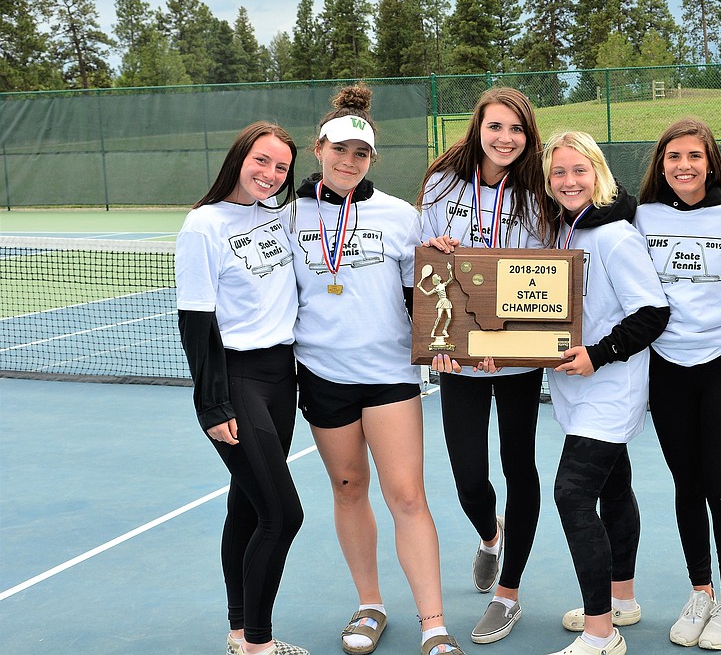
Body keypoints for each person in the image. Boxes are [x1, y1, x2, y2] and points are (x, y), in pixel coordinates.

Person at [285, 85, 464, 655]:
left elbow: (425, 299)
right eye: (339, 149)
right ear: (319, 148)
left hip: (388, 376)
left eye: (360, 154)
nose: (348, 161)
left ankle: (433, 625)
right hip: (319, 374)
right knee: (347, 487)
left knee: (407, 495)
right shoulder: (288, 215)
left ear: (371, 161)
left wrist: (443, 272)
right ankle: (370, 605)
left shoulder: (399, 216)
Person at [417, 87, 556, 645]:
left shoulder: (539, 192)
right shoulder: (440, 182)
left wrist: (516, 341)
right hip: (457, 354)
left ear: (529, 136)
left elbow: (545, 275)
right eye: (495, 127)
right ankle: (489, 535)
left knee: (520, 467)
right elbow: (425, 260)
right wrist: (437, 246)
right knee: (469, 476)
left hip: (518, 357)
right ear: (478, 127)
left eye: (516, 129)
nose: (505, 138)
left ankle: (509, 593)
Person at [175, 122, 308, 655]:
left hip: (283, 378)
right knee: (283, 515)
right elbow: (196, 322)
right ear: (239, 158)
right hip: (238, 380)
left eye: (280, 167)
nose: (271, 174)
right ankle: (258, 643)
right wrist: (213, 403)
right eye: (262, 161)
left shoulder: (283, 212)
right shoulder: (202, 225)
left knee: (248, 509)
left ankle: (238, 632)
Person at [542, 131, 670, 655]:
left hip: (609, 388)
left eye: (579, 170)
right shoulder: (561, 234)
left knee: (572, 494)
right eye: (559, 173)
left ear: (598, 173)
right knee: (614, 489)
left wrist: (599, 354)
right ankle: (621, 601)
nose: (570, 181)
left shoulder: (616, 235)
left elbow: (653, 313)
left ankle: (602, 633)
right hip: (573, 388)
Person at [633, 119, 721, 650]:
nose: (684, 166)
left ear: (711, 163)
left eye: (695, 156)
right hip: (666, 369)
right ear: (661, 165)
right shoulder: (640, 216)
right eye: (674, 156)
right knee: (687, 486)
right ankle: (700, 591)